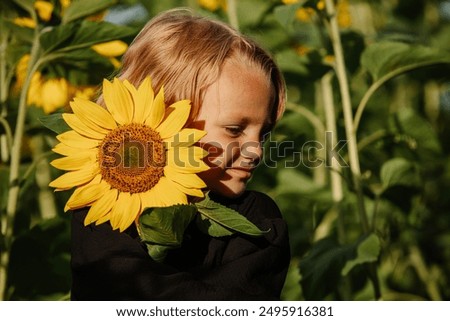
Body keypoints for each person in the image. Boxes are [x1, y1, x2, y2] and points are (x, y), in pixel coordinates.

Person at [70, 8, 290, 300]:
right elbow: (115, 286)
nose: (257, 150)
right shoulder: (106, 204)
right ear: (167, 117)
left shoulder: (258, 224)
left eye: (263, 133)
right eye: (235, 129)